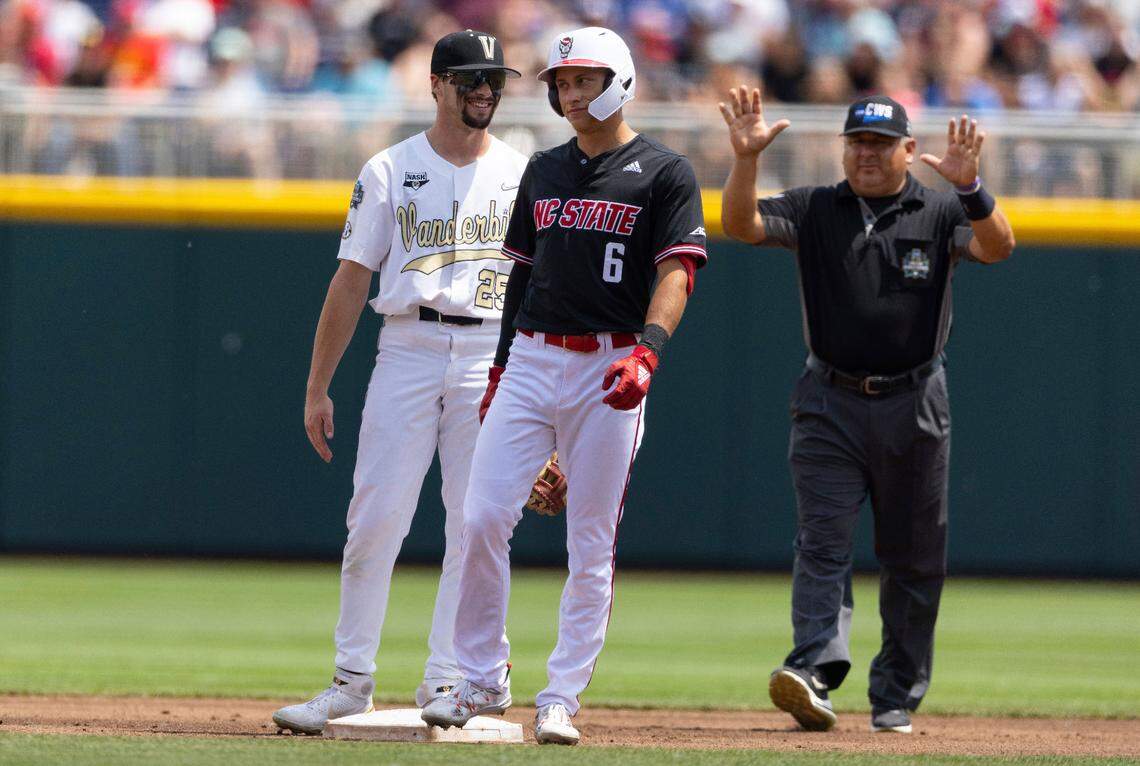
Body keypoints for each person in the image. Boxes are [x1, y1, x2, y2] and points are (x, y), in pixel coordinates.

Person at [420, 26, 707, 745]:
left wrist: (649, 352)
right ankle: (482, 678)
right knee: (481, 516)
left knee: (590, 541)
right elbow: (521, 272)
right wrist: (497, 369)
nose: (569, 92)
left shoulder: (665, 172)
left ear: (619, 80)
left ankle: (561, 697)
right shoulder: (544, 169)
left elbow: (678, 270)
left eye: (582, 79)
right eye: (561, 82)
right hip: (532, 357)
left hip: (610, 364)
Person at [719, 89, 1015, 734]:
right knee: (822, 542)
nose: (866, 153)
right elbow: (740, 226)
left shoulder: (937, 211)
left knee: (913, 556)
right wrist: (744, 161)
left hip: (914, 399)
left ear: (909, 150)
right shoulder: (818, 206)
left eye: (881, 143)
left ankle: (895, 695)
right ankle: (815, 672)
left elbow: (998, 247)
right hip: (829, 399)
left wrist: (973, 190)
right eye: (857, 141)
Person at [271, 29, 528, 735]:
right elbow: (352, 278)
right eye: (471, 78)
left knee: (474, 526)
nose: (484, 91)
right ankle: (351, 680)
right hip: (408, 344)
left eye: (493, 80)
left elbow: (540, 285)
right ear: (438, 84)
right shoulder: (389, 168)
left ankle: (450, 677)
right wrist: (317, 386)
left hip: (488, 350)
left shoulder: (521, 170)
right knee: (374, 518)